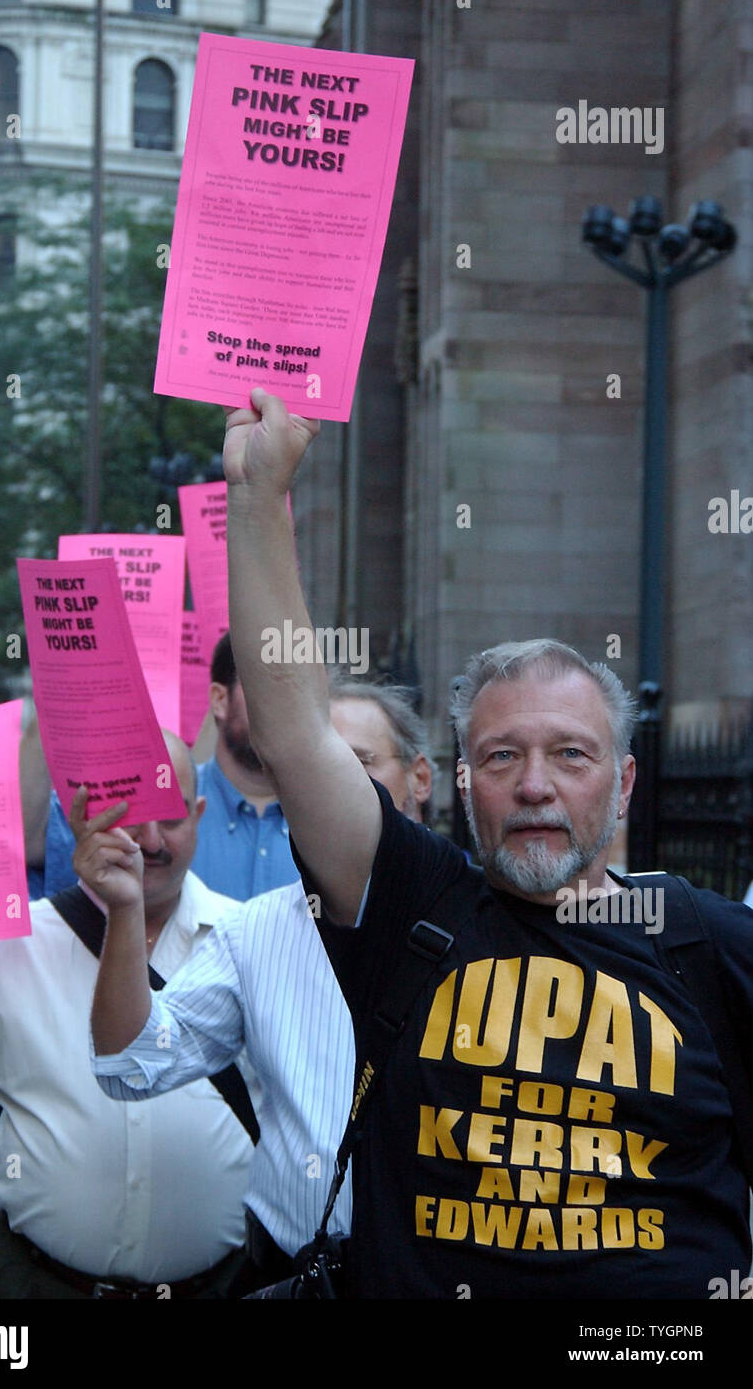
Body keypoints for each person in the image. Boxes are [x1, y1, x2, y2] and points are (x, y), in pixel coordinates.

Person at [220, 387, 753, 1299]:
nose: (535, 783)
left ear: (623, 783)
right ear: (463, 782)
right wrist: (260, 494)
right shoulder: (413, 907)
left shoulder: (709, 947)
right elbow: (296, 734)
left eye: (571, 755)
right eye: (502, 755)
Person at [0, 732, 254, 1299]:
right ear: (81, 815)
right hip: (35, 1285)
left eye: (170, 816)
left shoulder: (253, 940)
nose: (149, 841)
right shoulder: (8, 943)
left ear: (199, 815)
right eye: (130, 815)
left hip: (220, 1285)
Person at [88, 678, 433, 1292]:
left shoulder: (486, 918)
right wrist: (123, 911)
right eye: (310, 769)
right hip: (294, 1275)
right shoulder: (254, 935)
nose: (334, 789)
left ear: (421, 779)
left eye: (358, 764)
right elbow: (129, 1066)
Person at [190, 632, 300, 899]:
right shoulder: (169, 816)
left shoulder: (332, 824)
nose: (284, 704)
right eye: (266, 686)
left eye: (297, 690)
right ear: (220, 700)